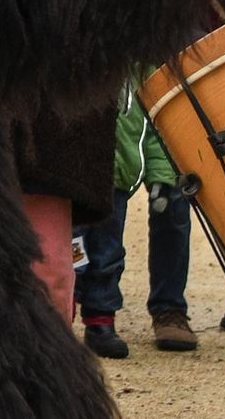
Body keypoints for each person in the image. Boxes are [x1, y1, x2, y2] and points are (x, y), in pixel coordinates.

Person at [76, 90, 197, 360]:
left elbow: (155, 122)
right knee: (70, 250)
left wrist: (162, 173)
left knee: (109, 252)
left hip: (125, 162)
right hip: (85, 159)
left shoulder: (144, 75)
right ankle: (57, 320)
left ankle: (106, 319)